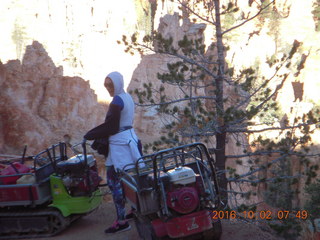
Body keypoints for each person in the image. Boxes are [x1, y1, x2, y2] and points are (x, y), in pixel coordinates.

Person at [84, 71, 142, 234]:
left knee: (114, 182)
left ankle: (122, 221)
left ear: (117, 84)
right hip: (130, 140)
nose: (108, 88)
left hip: (119, 146)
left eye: (111, 85)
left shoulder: (116, 101)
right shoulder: (127, 97)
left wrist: (89, 135)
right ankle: (134, 209)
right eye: (106, 86)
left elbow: (111, 127)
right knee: (131, 178)